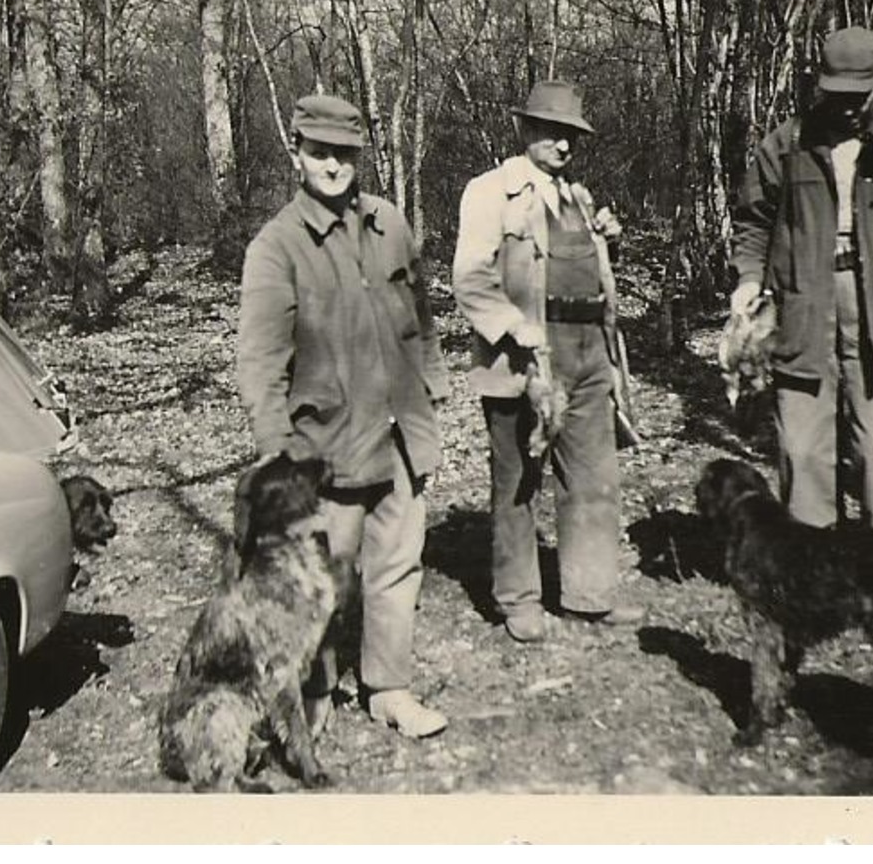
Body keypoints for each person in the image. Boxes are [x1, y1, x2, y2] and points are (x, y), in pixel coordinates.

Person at [236, 93, 450, 737]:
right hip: (323, 449)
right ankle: (313, 690)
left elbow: (422, 318)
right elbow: (259, 359)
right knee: (323, 580)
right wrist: (278, 448)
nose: (333, 165)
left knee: (397, 565)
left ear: (361, 156)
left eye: (345, 154)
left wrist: (432, 393)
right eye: (320, 152)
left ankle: (388, 688)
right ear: (296, 153)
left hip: (399, 434)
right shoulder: (276, 248)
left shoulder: (389, 224)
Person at [731, 26, 873, 535]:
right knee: (802, 451)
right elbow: (753, 220)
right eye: (838, 95)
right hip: (803, 309)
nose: (849, 108)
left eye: (860, 95)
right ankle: (815, 577)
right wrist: (748, 280)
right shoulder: (788, 142)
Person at [452, 79, 639, 644]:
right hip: (525, 357)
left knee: (591, 476)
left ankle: (589, 594)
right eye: (553, 133)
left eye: (572, 137)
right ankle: (520, 599)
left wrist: (610, 239)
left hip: (587, 351)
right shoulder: (491, 191)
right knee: (518, 480)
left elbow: (586, 270)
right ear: (526, 130)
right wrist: (516, 330)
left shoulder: (578, 197)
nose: (564, 146)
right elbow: (470, 277)